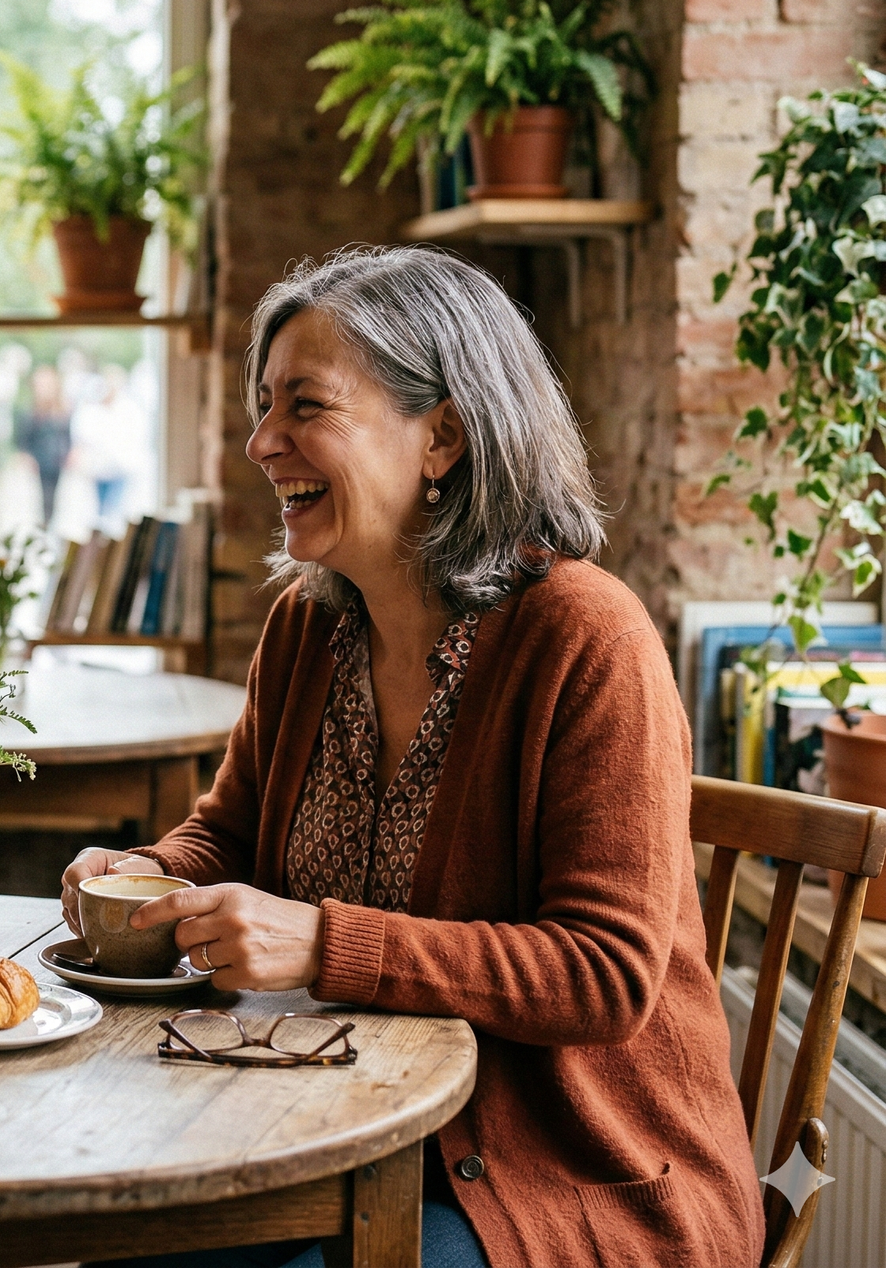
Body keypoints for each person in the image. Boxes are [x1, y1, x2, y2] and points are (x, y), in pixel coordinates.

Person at [62, 248, 760, 1268]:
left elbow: (604, 976)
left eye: (303, 406)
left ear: (442, 436)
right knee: (127, 1241)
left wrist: (324, 945)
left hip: (574, 1180)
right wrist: (152, 873)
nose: (261, 442)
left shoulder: (587, 640)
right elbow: (232, 831)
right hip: (344, 1123)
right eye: (265, 405)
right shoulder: (305, 630)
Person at [68, 365, 146, 528]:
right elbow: (83, 435)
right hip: (98, 470)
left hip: (120, 468)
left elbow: (134, 438)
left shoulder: (128, 408)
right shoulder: (92, 409)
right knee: (100, 511)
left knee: (114, 510)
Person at [14, 364, 71, 527]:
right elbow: (23, 439)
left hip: (58, 462)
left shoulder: (63, 409)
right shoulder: (31, 412)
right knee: (42, 503)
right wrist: (26, 457)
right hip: (40, 463)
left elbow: (68, 435)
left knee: (57, 502)